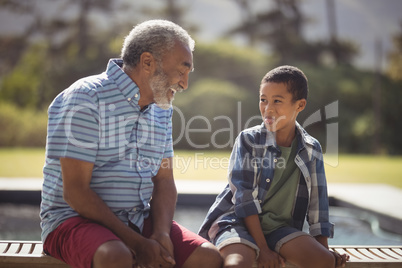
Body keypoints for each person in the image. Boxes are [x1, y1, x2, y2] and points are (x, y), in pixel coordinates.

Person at [40, 20, 222, 268]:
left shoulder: (162, 109)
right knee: (117, 256)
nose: (184, 84)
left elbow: (164, 180)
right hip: (72, 219)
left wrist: (161, 233)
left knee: (207, 258)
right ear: (147, 62)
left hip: (137, 219)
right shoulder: (85, 97)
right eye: (181, 70)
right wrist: (137, 243)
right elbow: (76, 193)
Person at [198, 65, 349, 268]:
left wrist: (324, 249)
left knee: (324, 261)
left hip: (280, 229)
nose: (268, 108)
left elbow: (318, 205)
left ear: (300, 105)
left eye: (277, 101)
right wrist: (263, 249)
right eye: (263, 99)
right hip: (238, 222)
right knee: (238, 263)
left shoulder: (312, 148)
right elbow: (244, 200)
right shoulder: (249, 140)